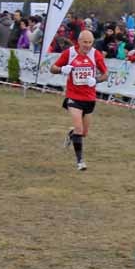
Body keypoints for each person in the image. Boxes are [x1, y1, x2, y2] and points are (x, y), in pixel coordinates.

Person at [50, 30, 108, 171]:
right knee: (79, 128)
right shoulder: (69, 53)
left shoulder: (96, 54)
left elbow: (105, 74)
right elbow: (53, 68)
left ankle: (71, 135)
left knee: (83, 133)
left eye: (90, 42)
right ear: (79, 41)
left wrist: (96, 80)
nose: (87, 45)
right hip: (73, 96)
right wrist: (62, 69)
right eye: (85, 42)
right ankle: (80, 161)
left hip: (89, 97)